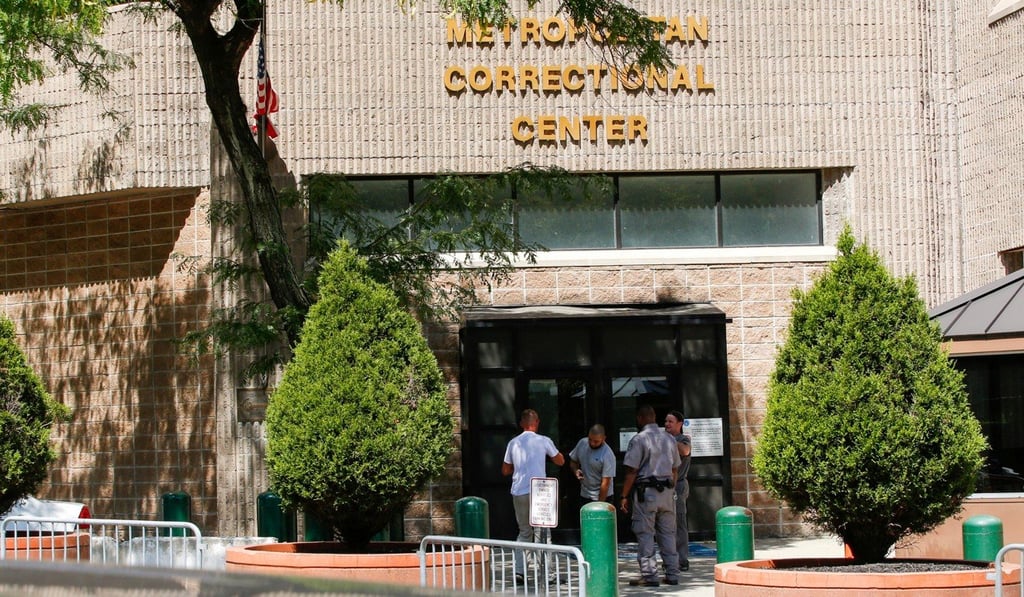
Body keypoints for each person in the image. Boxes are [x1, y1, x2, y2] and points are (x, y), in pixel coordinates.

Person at [620, 404, 680, 587]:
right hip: (667, 493)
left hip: (646, 493)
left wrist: (624, 495)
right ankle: (672, 574)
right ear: (654, 417)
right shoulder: (669, 439)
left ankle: (649, 575)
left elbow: (631, 471)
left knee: (645, 534)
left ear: (640, 418)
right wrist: (671, 489)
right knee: (668, 534)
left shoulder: (639, 440)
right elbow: (675, 469)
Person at [502, 409, 565, 579]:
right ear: (537, 422)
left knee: (524, 532)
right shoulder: (544, 441)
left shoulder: (513, 443)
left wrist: (520, 466)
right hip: (540, 491)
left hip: (519, 490)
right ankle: (547, 574)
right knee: (543, 532)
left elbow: (505, 470)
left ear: (522, 424)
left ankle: (520, 571)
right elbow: (560, 461)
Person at [664, 410, 692, 571]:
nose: (667, 424)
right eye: (666, 421)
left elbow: (685, 451)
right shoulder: (663, 439)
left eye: (670, 421)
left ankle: (682, 559)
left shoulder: (683, 439)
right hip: (664, 486)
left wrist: (669, 440)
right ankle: (669, 557)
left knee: (679, 522)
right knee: (666, 524)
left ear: (680, 424)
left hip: (678, 486)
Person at [568, 424, 616, 509]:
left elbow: (606, 483)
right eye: (590, 439)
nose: (592, 443)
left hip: (602, 496)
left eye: (596, 441)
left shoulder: (607, 454)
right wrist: (576, 470)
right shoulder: (582, 443)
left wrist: (600, 505)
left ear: (604, 438)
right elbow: (573, 461)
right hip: (585, 494)